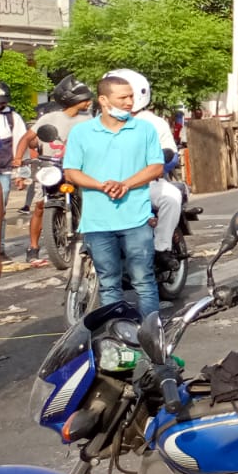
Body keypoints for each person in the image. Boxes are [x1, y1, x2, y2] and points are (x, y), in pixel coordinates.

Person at [62, 74, 165, 317]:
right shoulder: (82, 133)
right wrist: (100, 186)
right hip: (98, 222)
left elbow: (156, 167)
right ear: (104, 100)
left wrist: (126, 184)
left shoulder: (144, 129)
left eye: (131, 96)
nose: (130, 102)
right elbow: (71, 172)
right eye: (123, 97)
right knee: (109, 284)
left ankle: (151, 333)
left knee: (144, 281)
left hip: (137, 219)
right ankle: (117, 335)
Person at [103, 70, 183, 276]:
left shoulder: (153, 122)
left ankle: (161, 248)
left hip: (146, 183)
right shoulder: (97, 121)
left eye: (126, 94)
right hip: (106, 184)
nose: (123, 99)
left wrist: (154, 164)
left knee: (171, 197)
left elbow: (171, 155)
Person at [17, 77, 93, 268]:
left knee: (90, 199)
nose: (89, 102)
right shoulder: (49, 118)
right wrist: (18, 158)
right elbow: (27, 138)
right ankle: (33, 248)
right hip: (50, 168)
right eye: (85, 98)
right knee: (40, 205)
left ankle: (92, 239)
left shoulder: (89, 120)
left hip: (78, 168)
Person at [0, 80, 20, 263]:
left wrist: (20, 172)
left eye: (2, 102)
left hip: (4, 170)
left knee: (1, 211)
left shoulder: (12, 117)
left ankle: (1, 249)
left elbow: (20, 142)